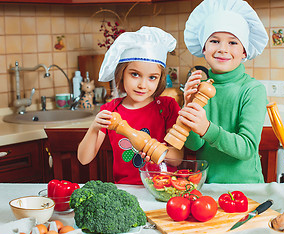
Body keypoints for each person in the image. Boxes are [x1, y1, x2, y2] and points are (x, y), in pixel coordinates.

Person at [78, 26, 183, 185]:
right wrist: (94, 128)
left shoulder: (167, 107)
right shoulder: (110, 111)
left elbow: (177, 159)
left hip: (163, 188)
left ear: (160, 78)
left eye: (152, 78)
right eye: (135, 74)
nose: (142, 85)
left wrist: (153, 148)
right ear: (121, 73)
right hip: (126, 190)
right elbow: (84, 159)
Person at [179, 0, 269, 183]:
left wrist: (206, 128)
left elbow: (246, 148)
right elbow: (194, 145)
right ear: (204, 48)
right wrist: (188, 106)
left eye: (233, 42)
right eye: (214, 41)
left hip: (247, 189)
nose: (223, 49)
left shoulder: (252, 90)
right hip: (207, 186)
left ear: (244, 51)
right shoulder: (200, 87)